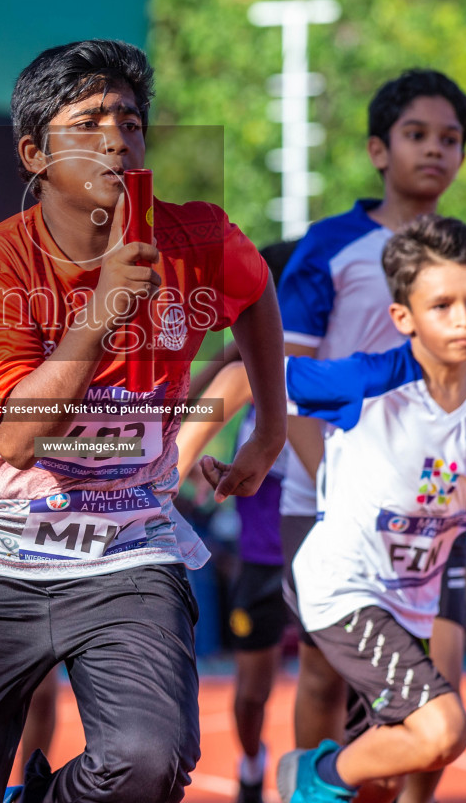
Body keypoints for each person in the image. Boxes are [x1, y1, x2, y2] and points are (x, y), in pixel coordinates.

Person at [0, 39, 288, 803]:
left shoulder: (198, 238)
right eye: (88, 122)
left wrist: (270, 426)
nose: (116, 137)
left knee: (147, 763)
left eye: (131, 120)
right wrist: (105, 303)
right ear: (33, 155)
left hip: (125, 546)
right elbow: (14, 438)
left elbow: (255, 294)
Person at [277, 69, 466, 802]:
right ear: (380, 149)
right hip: (329, 489)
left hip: (432, 514)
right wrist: (334, 482)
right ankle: (309, 780)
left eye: (451, 139)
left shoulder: (455, 258)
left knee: (434, 705)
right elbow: (276, 374)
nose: (435, 151)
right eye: (418, 135)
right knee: (333, 674)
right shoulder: (330, 248)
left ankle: (361, 787)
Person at [175, 241, 301, 803]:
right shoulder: (246, 364)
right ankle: (253, 761)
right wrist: (177, 459)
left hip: (329, 550)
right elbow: (206, 397)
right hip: (264, 554)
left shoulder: (350, 362)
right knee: (253, 694)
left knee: (331, 683)